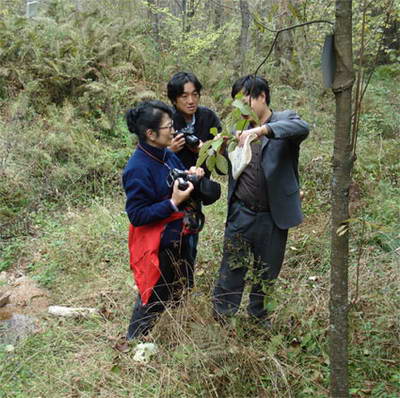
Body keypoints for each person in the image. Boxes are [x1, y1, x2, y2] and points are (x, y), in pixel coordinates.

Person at [212, 75, 310, 325]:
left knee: (266, 272)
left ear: (262, 97)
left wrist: (263, 130)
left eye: (247, 102)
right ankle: (223, 316)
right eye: (238, 105)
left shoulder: (284, 121)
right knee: (232, 267)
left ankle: (258, 319)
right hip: (241, 213)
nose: (242, 110)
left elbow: (302, 127)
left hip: (273, 216)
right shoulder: (238, 130)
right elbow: (226, 169)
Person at [122, 100, 205, 340]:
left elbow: (178, 178)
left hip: (179, 234)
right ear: (150, 133)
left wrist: (191, 174)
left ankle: (175, 333)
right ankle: (134, 341)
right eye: (168, 126)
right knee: (154, 295)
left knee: (181, 285)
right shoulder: (137, 168)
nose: (173, 131)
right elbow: (137, 215)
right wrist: (172, 202)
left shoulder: (166, 155)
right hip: (157, 243)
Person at [166, 71, 222, 266]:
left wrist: (203, 149)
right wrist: (170, 150)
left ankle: (185, 286)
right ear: (174, 99)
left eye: (195, 94)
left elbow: (222, 158)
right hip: (169, 190)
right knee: (168, 241)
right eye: (184, 96)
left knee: (190, 239)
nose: (191, 100)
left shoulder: (208, 118)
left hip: (196, 190)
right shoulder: (166, 120)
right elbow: (149, 155)